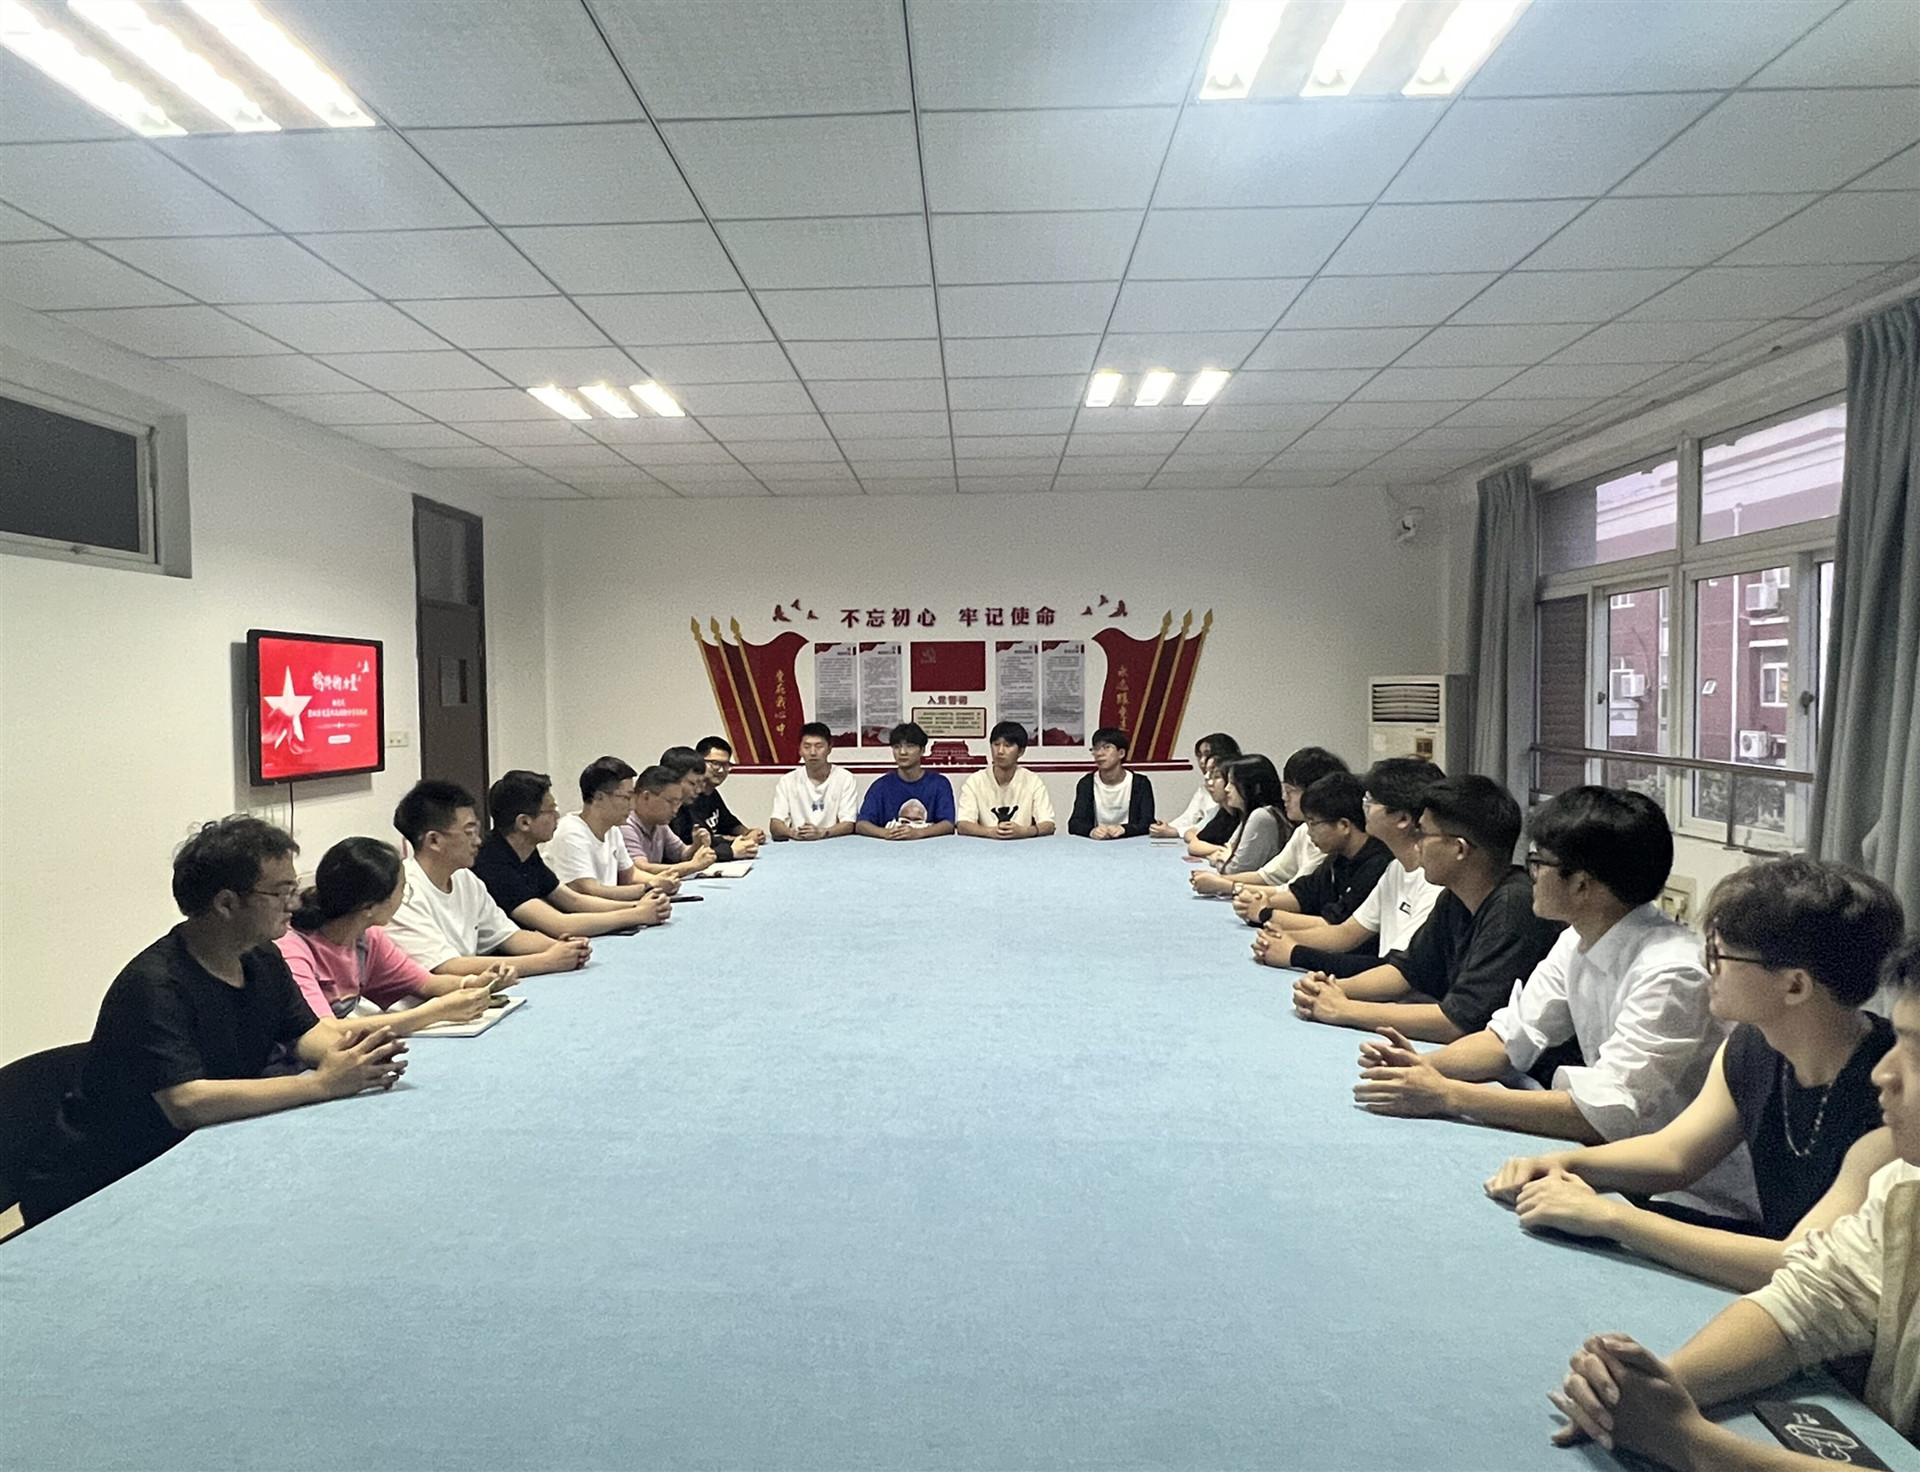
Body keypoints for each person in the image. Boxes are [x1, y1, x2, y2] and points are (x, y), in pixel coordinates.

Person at [1547, 935, 1920, 1468]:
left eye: (1916, 1053)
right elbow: (1812, 1299)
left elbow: (1787, 1261)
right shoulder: (1905, 1184)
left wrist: (1690, 1442)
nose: (1884, 1072)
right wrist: (1653, 1388)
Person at [1485, 857, 1904, 1292]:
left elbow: (1800, 1262)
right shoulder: (1751, 1045)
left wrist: (1611, 1217)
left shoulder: (1896, 1093)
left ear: (1795, 986)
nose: (1708, 968)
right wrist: (1562, 1162)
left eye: (1719, 955)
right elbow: (1675, 1155)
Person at [1347, 791, 1751, 1212]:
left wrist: (1448, 1095)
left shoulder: (1671, 971)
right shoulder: (1577, 937)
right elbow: (1507, 1039)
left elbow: (1603, 1114)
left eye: (1540, 862)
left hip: (1698, 1197)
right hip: (1617, 1165)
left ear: (1581, 884)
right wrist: (1422, 1069)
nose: (1532, 875)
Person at [18, 817, 407, 1226]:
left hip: (197, 1156)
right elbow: (187, 1102)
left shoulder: (262, 958)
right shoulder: (154, 984)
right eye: (280, 892)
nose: (293, 904)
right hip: (104, 1182)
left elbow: (307, 1033)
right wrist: (322, 1084)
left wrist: (353, 1059)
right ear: (226, 904)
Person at [1292, 774, 1562, 1043]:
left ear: (1459, 849)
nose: (1416, 843)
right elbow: (1406, 972)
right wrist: (1334, 988)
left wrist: (1346, 1010)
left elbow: (1458, 1022)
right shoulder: (1455, 896)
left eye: (1423, 834)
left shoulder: (1513, 908)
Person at [280, 836, 510, 1035]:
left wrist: (474, 983)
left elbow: (425, 983)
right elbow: (324, 1030)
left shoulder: (367, 939)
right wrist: (434, 1013)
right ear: (369, 906)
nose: (403, 897)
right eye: (402, 889)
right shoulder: (292, 949)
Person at [1250, 757, 1443, 975]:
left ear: (1403, 819)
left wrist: (1295, 953)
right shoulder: (1395, 869)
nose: (1364, 808)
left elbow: (1400, 971)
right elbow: (1347, 933)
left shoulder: (1433, 883)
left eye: (1371, 801)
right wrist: (1284, 938)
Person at [385, 780, 593, 976]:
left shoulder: (466, 879)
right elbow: (445, 967)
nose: (478, 841)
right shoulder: (402, 892)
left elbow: (508, 935)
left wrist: (561, 947)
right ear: (434, 840)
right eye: (468, 832)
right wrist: (547, 961)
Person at [474, 769, 672, 935]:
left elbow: (573, 900)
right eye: (550, 810)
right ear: (524, 822)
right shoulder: (492, 863)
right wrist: (636, 914)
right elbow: (560, 924)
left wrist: (639, 906)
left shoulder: (526, 852)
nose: (557, 815)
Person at [1237, 771, 1394, 945]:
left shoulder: (1378, 863)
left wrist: (1265, 913)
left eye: (1313, 824)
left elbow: (1335, 926)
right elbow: (1303, 895)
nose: (1309, 833)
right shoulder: (1337, 857)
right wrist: (1260, 902)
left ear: (1344, 825)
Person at [1223, 747, 1346, 906]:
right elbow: (1269, 875)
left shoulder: (1329, 838)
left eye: (1290, 791)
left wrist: (1230, 886)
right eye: (1284, 790)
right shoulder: (1303, 830)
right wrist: (1219, 881)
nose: (1284, 797)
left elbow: (1294, 893)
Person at [548, 757, 677, 903]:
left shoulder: (612, 829)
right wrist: (649, 887)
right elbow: (589, 890)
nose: (632, 806)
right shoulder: (570, 832)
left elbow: (631, 874)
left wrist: (662, 880)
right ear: (599, 797)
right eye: (626, 798)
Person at [1188, 755, 1291, 888]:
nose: (1227, 789)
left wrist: (1219, 859)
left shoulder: (1261, 816)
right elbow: (1228, 849)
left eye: (1232, 783)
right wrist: (1225, 855)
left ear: (1251, 787)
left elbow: (1233, 870)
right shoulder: (1248, 814)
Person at [957, 721, 1056, 840]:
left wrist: (1024, 831)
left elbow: (1049, 825)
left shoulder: (1032, 781)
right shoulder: (975, 781)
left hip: (1024, 845)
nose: (1000, 751)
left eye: (1007, 746)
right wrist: (990, 832)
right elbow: (963, 825)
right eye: (996, 744)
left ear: (1021, 751)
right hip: (986, 845)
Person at [855, 722, 956, 839]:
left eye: (910, 746)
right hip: (889, 847)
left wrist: (918, 833)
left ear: (922, 750)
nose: (902, 752)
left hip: (929, 847)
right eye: (897, 747)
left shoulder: (939, 784)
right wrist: (884, 833)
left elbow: (948, 825)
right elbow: (861, 824)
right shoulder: (881, 786)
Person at [672, 737, 764, 860]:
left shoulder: (712, 793)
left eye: (726, 764)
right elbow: (698, 842)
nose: (721, 770)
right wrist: (737, 845)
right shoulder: (685, 801)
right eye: (715, 763)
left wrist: (749, 833)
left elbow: (730, 823)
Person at [769, 722, 860, 841]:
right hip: (798, 843)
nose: (812, 752)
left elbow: (849, 824)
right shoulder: (787, 780)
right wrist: (792, 833)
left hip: (833, 842)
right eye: (807, 747)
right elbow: (775, 824)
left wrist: (822, 832)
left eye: (819, 746)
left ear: (829, 748)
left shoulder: (845, 778)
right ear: (800, 750)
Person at [622, 764, 718, 877]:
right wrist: (692, 866)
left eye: (678, 803)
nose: (675, 809)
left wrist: (696, 845)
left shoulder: (659, 825)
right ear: (646, 796)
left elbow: (681, 854)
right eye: (671, 802)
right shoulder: (626, 825)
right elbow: (640, 869)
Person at [1069, 727, 1154, 839]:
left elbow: (1147, 822)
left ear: (1121, 753)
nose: (1099, 753)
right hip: (1097, 843)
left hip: (1131, 842)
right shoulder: (1087, 783)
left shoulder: (1140, 783)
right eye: (1095, 748)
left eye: (1106, 747)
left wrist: (1125, 829)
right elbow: (1074, 824)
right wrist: (1091, 831)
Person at [1151, 732, 1239, 840]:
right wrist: (1167, 827)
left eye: (1207, 754)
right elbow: (1191, 820)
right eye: (1199, 756)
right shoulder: (1204, 793)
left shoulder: (1238, 805)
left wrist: (1176, 832)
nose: (1202, 761)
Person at [1185, 760, 1241, 859]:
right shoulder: (1224, 813)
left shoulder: (1249, 816)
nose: (1210, 783)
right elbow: (1194, 845)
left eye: (1217, 777)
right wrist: (1220, 850)